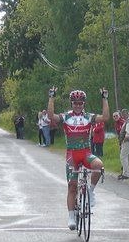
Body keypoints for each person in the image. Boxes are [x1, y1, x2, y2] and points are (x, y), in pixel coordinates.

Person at [47, 87, 109, 230]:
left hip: (86, 153)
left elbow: (105, 117)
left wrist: (105, 98)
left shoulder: (88, 116)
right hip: (72, 155)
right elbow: (51, 116)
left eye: (80, 103)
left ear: (84, 103)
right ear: (71, 103)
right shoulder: (66, 116)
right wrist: (51, 97)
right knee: (72, 187)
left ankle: (91, 191)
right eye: (75, 103)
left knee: (99, 165)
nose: (78, 105)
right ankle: (71, 216)